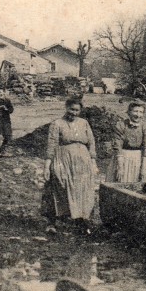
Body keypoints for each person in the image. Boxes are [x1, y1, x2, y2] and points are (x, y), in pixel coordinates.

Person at [42, 98, 98, 234]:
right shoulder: (57, 124)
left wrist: (93, 162)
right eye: (71, 109)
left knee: (82, 189)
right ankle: (52, 222)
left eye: (77, 110)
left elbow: (91, 143)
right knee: (59, 186)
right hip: (63, 160)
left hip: (83, 161)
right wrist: (47, 165)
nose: (74, 112)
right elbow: (52, 145)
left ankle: (81, 221)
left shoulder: (84, 123)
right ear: (66, 108)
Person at [107, 101, 146, 183]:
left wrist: (144, 164)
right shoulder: (121, 125)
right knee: (120, 181)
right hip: (122, 157)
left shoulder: (144, 127)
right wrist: (120, 165)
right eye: (135, 111)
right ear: (129, 112)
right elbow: (117, 144)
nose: (138, 115)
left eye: (141, 112)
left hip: (138, 159)